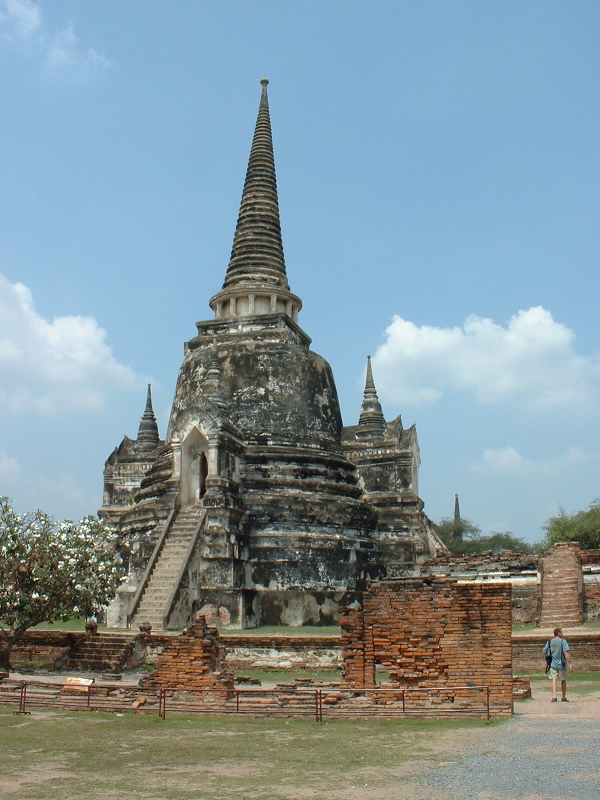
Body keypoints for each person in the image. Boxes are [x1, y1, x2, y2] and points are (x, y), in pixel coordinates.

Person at [544, 627, 574, 702]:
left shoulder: (550, 641)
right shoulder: (563, 642)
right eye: (562, 632)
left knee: (554, 679)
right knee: (563, 680)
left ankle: (554, 696)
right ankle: (563, 696)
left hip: (553, 663)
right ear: (559, 633)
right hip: (562, 663)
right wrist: (570, 663)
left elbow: (545, 650)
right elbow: (566, 653)